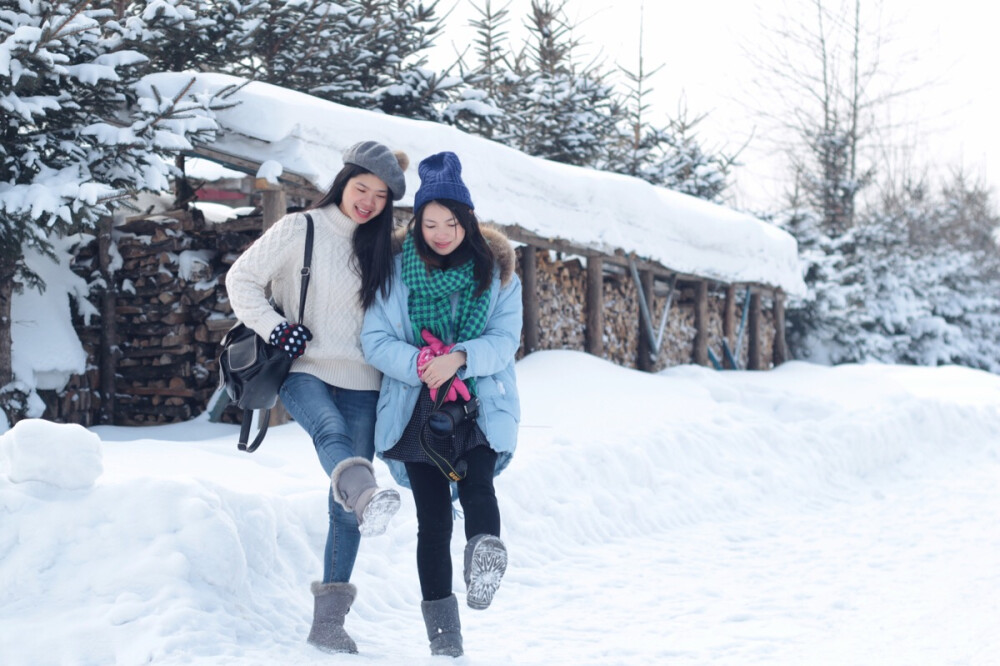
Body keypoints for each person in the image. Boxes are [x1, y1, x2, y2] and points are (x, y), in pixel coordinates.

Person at [225, 141, 408, 654]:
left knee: (343, 507)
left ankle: (328, 624)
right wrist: (276, 326)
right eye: (360, 188)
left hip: (367, 383)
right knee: (330, 437)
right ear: (344, 181)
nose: (367, 201)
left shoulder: (383, 250)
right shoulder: (299, 228)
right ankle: (368, 494)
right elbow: (241, 279)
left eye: (378, 196)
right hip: (303, 369)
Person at [361, 151, 522, 658]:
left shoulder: (496, 275)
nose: (440, 232)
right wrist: (420, 364)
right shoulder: (393, 274)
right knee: (432, 521)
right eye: (429, 222)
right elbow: (375, 339)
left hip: (478, 405)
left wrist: (458, 358)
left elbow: (505, 339)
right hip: (415, 410)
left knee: (479, 486)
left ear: (467, 222)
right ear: (418, 222)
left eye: (450, 222)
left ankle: (485, 560)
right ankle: (444, 639)